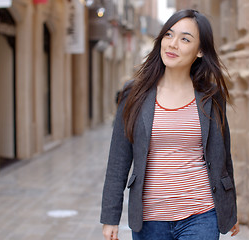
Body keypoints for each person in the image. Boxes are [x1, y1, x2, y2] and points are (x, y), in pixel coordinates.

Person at [100, 9, 239, 240]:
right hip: (149, 218)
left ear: (200, 50)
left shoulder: (210, 97)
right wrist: (110, 217)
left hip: (201, 214)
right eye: (169, 35)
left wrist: (229, 208)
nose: (173, 44)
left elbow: (223, 157)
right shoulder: (134, 94)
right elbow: (118, 159)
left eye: (185, 39)